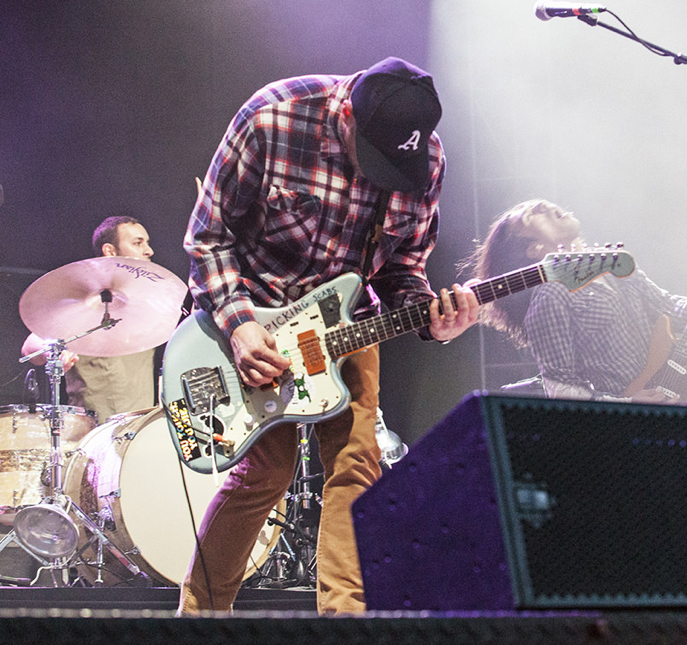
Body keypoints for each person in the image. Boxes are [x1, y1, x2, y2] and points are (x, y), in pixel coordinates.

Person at [179, 56, 479, 616]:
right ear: (345, 114)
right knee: (265, 474)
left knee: (357, 466)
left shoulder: (429, 162)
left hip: (349, 322)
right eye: (373, 159)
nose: (377, 176)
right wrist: (240, 326)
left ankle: (346, 622)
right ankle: (199, 617)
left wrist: (432, 317)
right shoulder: (273, 118)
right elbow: (207, 238)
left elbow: (402, 268)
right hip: (256, 314)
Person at [467, 198, 687, 403]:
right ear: (535, 249)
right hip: (619, 427)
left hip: (672, 395)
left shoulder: (611, 263)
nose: (540, 204)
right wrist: (625, 403)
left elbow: (668, 306)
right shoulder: (551, 295)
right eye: (529, 215)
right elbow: (561, 388)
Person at [20, 216, 158, 423]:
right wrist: (53, 351)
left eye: (147, 243)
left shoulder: (153, 300)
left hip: (143, 431)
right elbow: (30, 348)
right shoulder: (87, 300)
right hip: (93, 433)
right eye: (138, 243)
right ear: (110, 251)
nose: (148, 250)